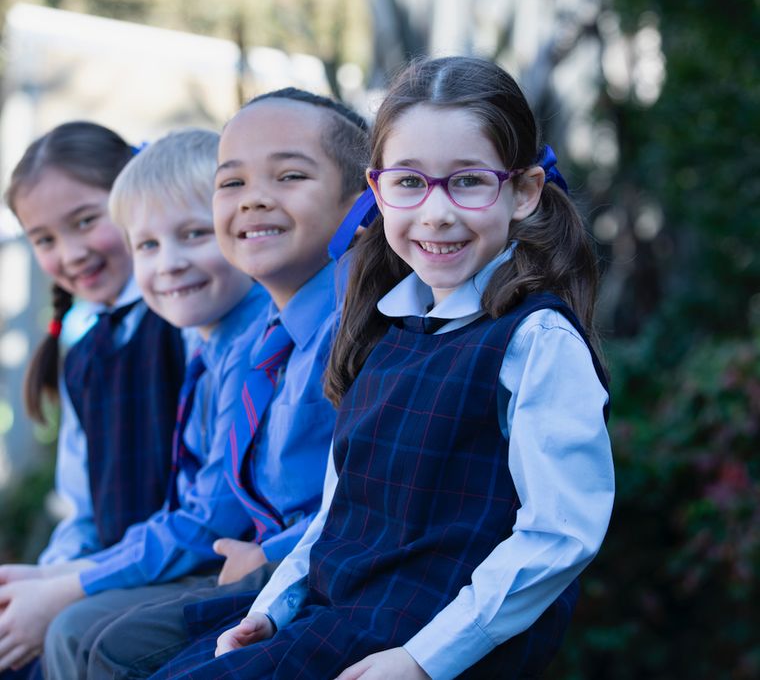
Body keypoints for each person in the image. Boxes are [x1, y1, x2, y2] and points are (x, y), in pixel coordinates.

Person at [157, 56, 615, 680]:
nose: (436, 212)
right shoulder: (382, 328)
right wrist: (276, 603)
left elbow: (561, 536)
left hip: (425, 643)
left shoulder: (535, 340)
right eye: (409, 183)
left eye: (469, 181)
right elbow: (338, 511)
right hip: (338, 615)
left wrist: (423, 661)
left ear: (524, 192)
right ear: (376, 191)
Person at [64, 88, 371, 680]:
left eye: (288, 176)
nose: (255, 198)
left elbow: (363, 497)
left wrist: (271, 557)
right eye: (232, 184)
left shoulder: (356, 327)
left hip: (313, 578)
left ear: (360, 203)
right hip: (261, 566)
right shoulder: (263, 339)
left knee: (96, 640)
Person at [0, 122, 186, 673]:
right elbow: (82, 509)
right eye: (45, 239)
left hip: (163, 576)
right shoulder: (82, 351)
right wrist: (40, 584)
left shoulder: (184, 323)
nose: (71, 252)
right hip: (101, 569)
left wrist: (65, 593)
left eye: (86, 221)